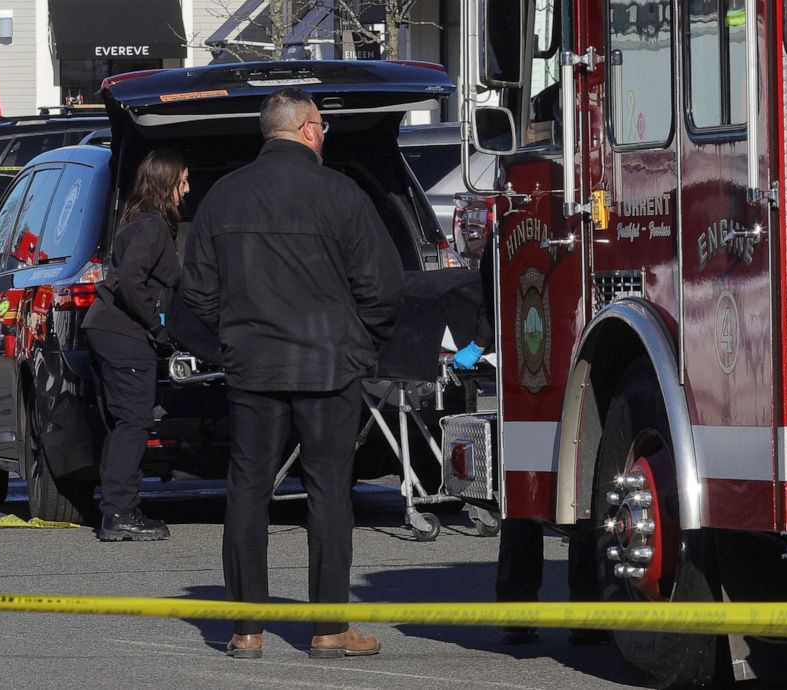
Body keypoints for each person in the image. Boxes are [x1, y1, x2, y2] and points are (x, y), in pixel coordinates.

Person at [181, 87, 404, 659]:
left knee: (247, 492)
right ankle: (329, 628)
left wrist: (227, 346)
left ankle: (246, 628)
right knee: (329, 493)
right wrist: (359, 346)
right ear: (308, 128)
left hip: (253, 367)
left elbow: (196, 297)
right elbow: (382, 289)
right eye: (323, 127)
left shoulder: (223, 197)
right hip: (329, 366)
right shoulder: (341, 194)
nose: (324, 136)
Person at [452, 222, 605, 646]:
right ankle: (589, 613)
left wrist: (481, 341)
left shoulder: (511, 225)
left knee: (523, 484)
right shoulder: (588, 221)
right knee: (588, 478)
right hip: (584, 354)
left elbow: (493, 281)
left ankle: (519, 611)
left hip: (527, 363)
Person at [82, 148, 190, 542]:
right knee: (133, 421)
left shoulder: (133, 221)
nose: (187, 189)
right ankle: (120, 513)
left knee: (120, 422)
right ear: (166, 184)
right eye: (183, 181)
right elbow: (131, 281)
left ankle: (116, 507)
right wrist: (158, 326)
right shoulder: (150, 226)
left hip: (106, 331)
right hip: (123, 334)